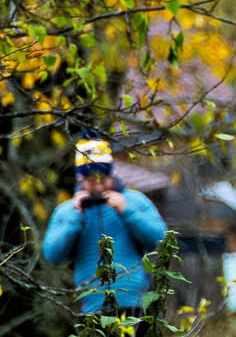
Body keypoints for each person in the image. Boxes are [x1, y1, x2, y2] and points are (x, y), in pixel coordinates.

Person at [41, 139, 167, 326]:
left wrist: (127, 212)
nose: (99, 185)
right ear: (80, 178)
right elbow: (52, 255)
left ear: (111, 172)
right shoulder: (68, 211)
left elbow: (161, 240)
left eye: (103, 178)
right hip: (92, 309)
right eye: (92, 180)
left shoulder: (135, 201)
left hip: (135, 306)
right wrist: (75, 218)